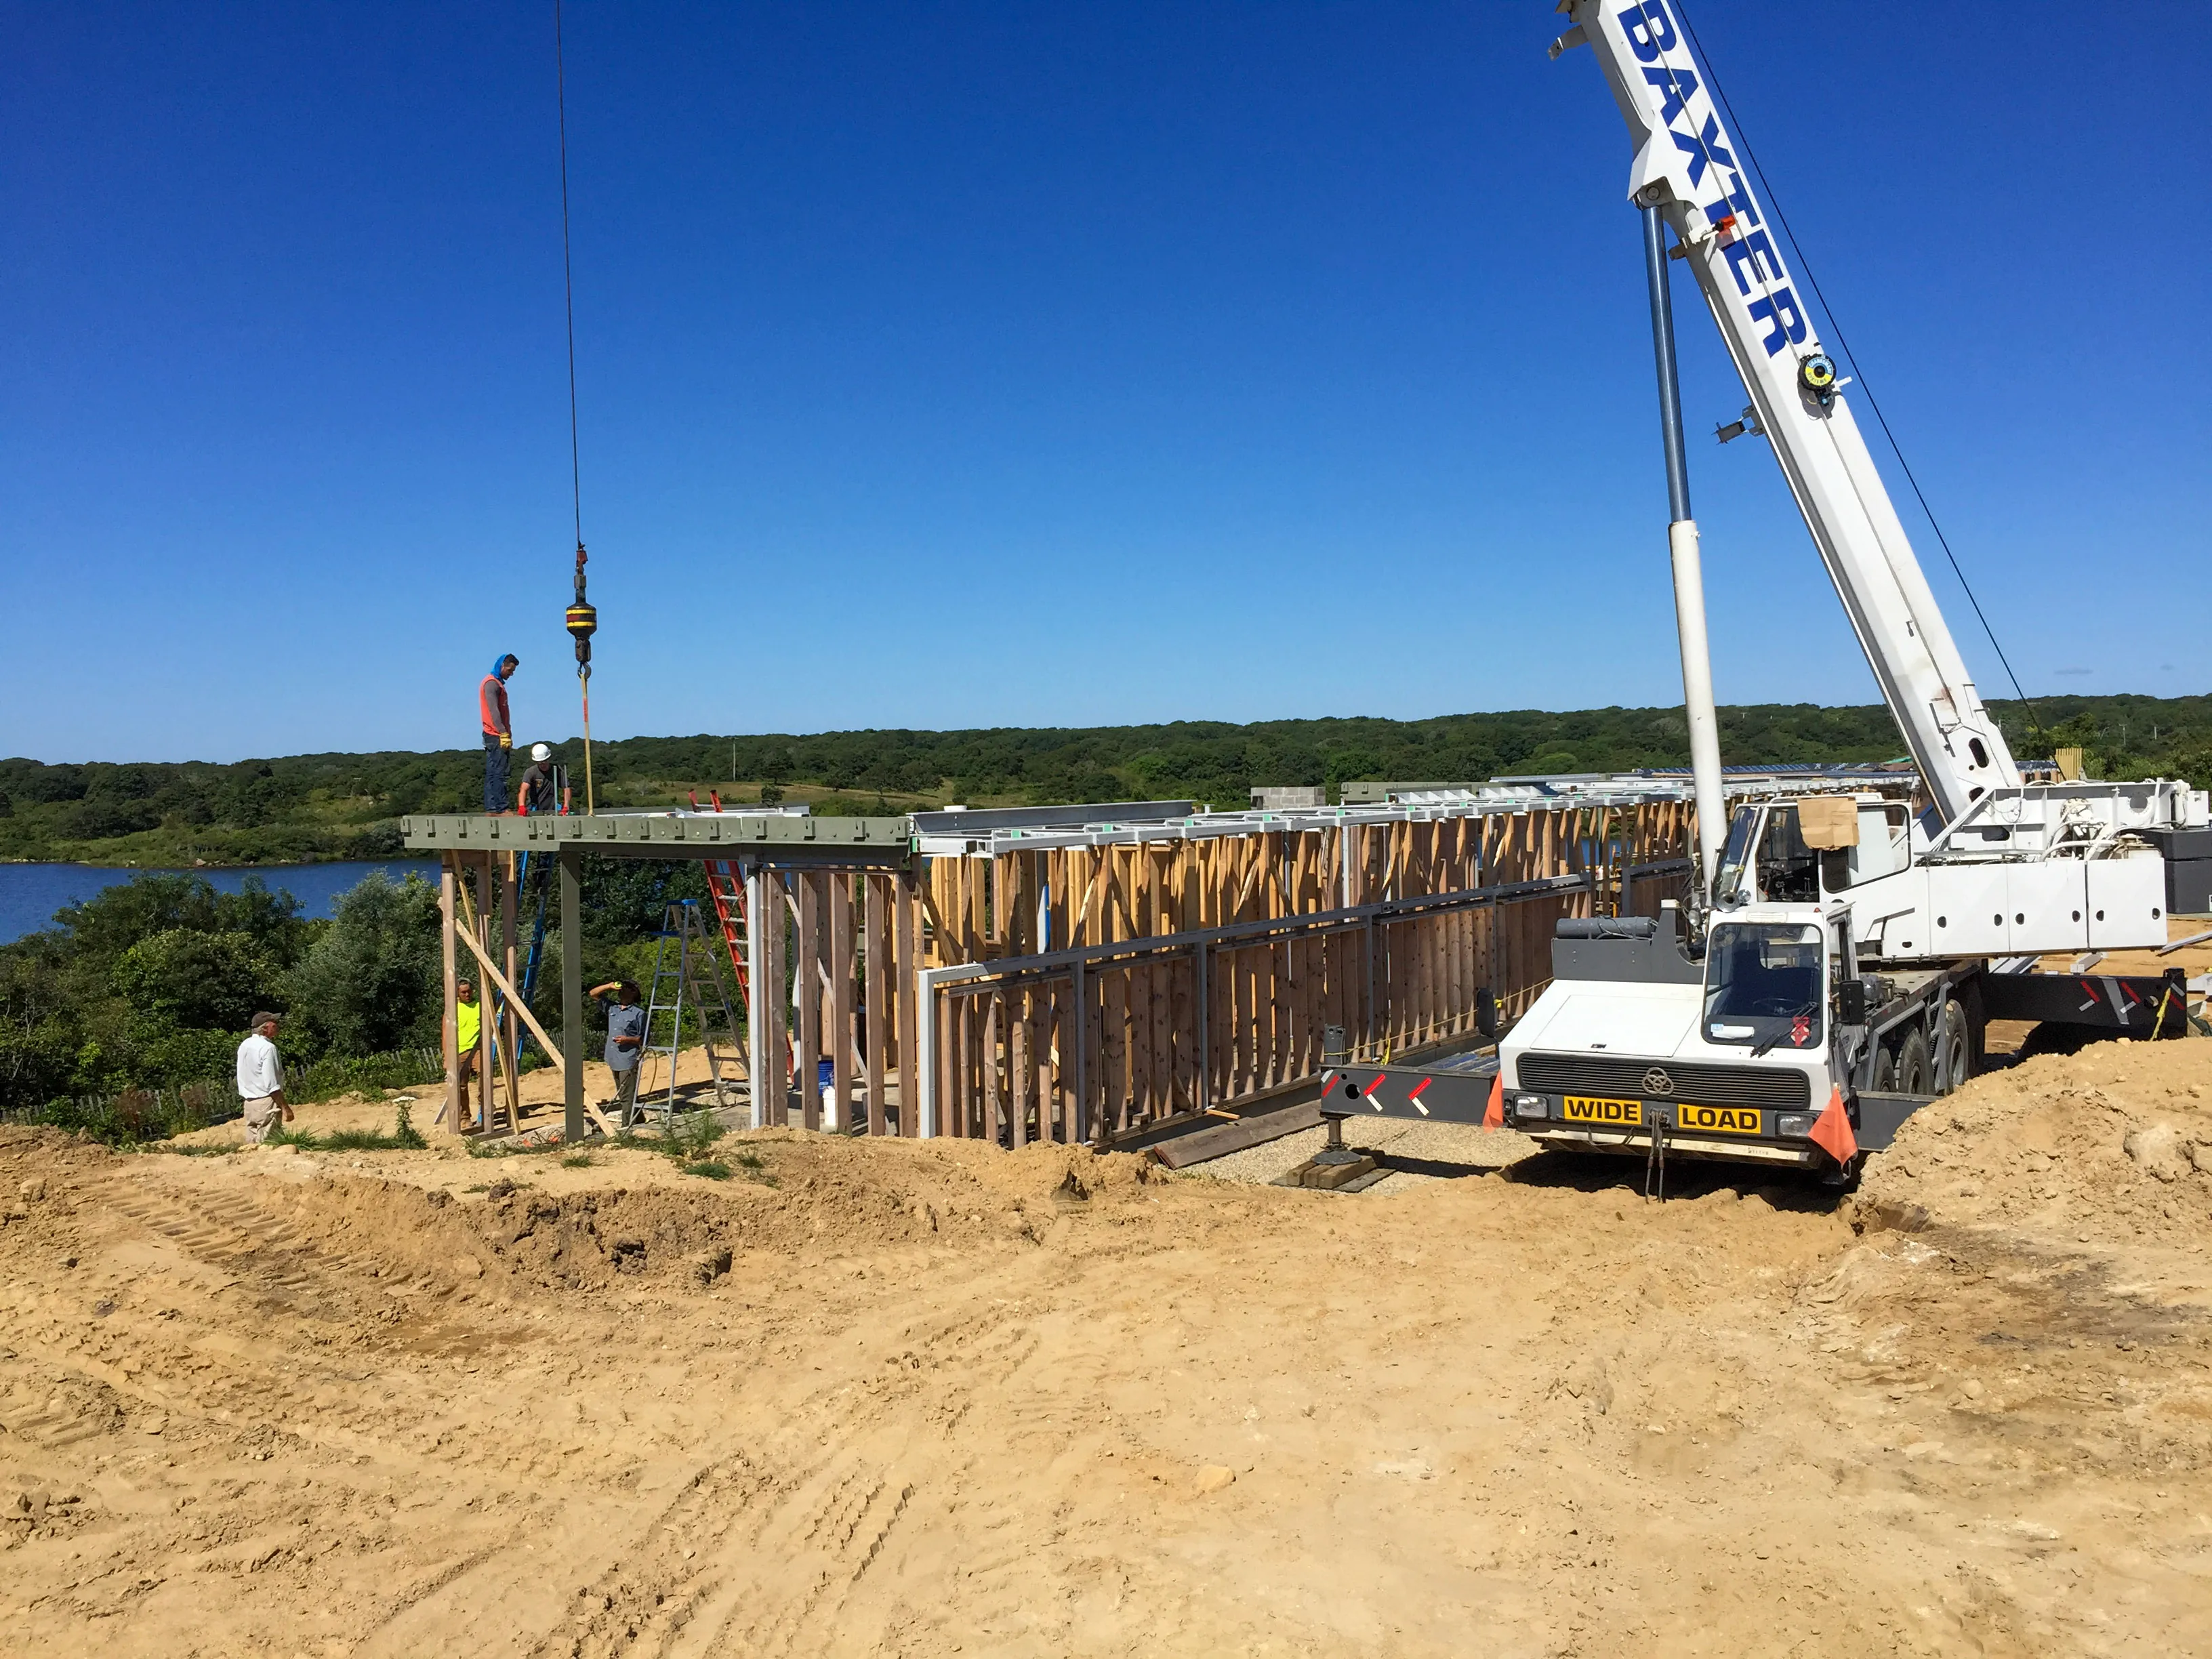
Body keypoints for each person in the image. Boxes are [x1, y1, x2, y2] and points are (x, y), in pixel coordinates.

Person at [589, 979, 647, 1123]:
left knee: (627, 1095)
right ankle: (639, 1120)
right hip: (613, 1057)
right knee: (625, 1092)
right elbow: (593, 993)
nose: (621, 991)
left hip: (628, 1059)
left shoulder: (638, 1013)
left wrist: (627, 1040)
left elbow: (643, 1038)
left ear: (633, 993)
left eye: (626, 989)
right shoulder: (612, 1008)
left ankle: (627, 1125)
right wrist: (609, 986)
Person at [236, 1012, 291, 1145]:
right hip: (266, 1101)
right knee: (270, 1144)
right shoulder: (268, 1048)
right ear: (265, 1028)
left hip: (249, 1103)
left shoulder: (245, 1044)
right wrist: (285, 1108)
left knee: (253, 1145)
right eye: (274, 1023)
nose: (277, 1026)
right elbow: (272, 1084)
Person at [480, 653, 518, 814]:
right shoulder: (492, 684)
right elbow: (493, 711)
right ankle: (502, 808)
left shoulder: (496, 684)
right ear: (502, 666)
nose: (511, 673)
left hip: (494, 733)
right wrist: (503, 732)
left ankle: (492, 807)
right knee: (499, 772)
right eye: (510, 670)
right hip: (495, 734)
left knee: (492, 771)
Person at [454, 979, 482, 1127]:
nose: (467, 994)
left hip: (478, 1048)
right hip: (460, 1050)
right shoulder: (454, 1008)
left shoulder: (479, 1005)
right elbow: (446, 1031)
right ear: (458, 993)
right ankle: (464, 1118)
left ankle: (485, 1109)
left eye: (469, 991)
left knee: (485, 1077)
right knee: (461, 1086)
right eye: (463, 992)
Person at [516, 742, 571, 816]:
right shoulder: (531, 772)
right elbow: (523, 789)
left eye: (544, 762)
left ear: (549, 759)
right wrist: (522, 806)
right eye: (540, 763)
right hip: (534, 809)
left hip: (553, 808)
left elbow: (566, 788)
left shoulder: (557, 770)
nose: (542, 765)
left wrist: (566, 806)